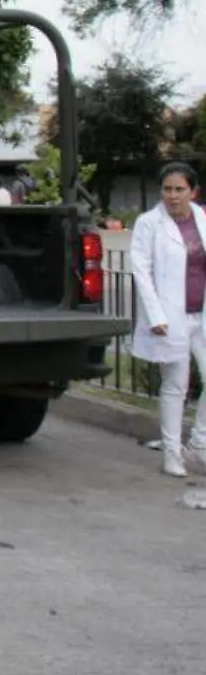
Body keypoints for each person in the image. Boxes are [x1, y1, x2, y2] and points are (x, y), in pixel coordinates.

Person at [129, 162, 206, 479]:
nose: (172, 196)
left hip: (201, 312)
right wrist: (156, 315)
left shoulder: (201, 218)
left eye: (179, 190)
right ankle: (172, 453)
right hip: (169, 317)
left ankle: (199, 443)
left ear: (193, 192)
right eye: (167, 189)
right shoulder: (149, 223)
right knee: (177, 385)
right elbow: (141, 272)